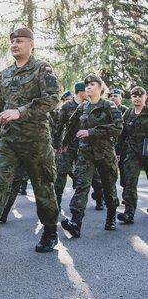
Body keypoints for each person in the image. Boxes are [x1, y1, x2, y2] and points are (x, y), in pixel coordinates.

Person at [0, 27, 60, 263]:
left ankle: (49, 230)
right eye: (12, 41)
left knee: (42, 187)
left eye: (20, 41)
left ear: (31, 44)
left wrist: (20, 111)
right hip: (9, 141)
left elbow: (52, 99)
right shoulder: (5, 74)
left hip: (36, 140)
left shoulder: (42, 69)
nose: (14, 45)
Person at [61, 74, 122, 238]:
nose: (88, 87)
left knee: (109, 187)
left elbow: (118, 128)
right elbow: (72, 127)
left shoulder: (109, 106)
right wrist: (63, 145)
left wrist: (91, 132)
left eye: (92, 84)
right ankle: (75, 222)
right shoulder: (83, 107)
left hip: (105, 154)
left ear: (100, 88)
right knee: (82, 185)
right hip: (86, 153)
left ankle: (111, 217)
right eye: (87, 85)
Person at [117, 86, 148, 224]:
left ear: (145, 97)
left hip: (147, 152)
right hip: (132, 153)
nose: (137, 98)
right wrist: (117, 152)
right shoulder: (128, 113)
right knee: (129, 183)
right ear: (131, 98)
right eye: (135, 96)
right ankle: (129, 213)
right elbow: (121, 134)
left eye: (140, 96)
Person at [108, 88, 128, 197]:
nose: (112, 97)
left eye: (115, 96)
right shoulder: (106, 109)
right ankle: (108, 195)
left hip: (123, 146)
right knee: (109, 173)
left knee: (124, 172)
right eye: (111, 95)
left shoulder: (126, 110)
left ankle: (126, 194)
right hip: (108, 145)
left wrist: (119, 151)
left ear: (121, 98)